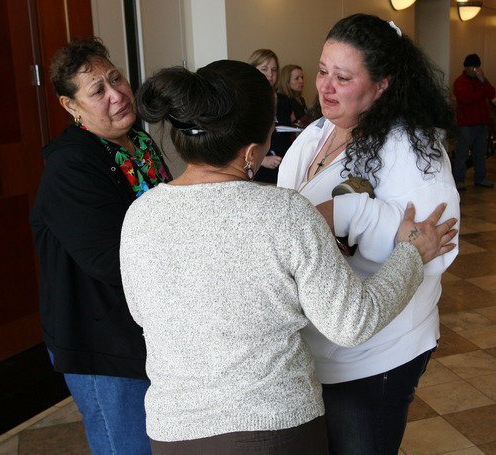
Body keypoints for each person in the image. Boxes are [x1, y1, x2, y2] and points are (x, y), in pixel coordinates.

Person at [120, 59, 457, 455]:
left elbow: (142, 313)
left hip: (173, 432)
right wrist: (410, 254)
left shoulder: (141, 212)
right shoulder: (283, 213)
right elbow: (352, 322)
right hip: (271, 431)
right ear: (251, 152)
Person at [278, 14, 461, 455]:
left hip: (376, 350)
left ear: (382, 85)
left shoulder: (412, 151)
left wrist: (344, 215)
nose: (325, 86)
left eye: (342, 77)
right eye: (322, 71)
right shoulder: (316, 134)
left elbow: (434, 249)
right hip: (319, 340)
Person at [29, 37, 171, 455]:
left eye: (116, 78)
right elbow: (112, 261)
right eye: (98, 91)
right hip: (101, 341)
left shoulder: (140, 143)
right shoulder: (71, 164)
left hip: (145, 327)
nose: (117, 94)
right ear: (70, 106)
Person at [248, 49, 294, 183]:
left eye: (274, 70)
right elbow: (242, 141)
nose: (270, 74)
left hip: (285, 169)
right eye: (264, 69)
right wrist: (263, 160)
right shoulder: (248, 101)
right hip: (260, 170)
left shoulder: (283, 100)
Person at [452, 53, 495, 190]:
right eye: (472, 67)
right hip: (466, 124)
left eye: (477, 67)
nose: (474, 70)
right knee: (462, 153)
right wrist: (482, 93)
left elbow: (492, 94)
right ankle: (458, 180)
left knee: (480, 152)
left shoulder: (481, 81)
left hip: (481, 123)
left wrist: (483, 81)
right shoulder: (460, 82)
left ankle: (480, 178)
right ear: (466, 67)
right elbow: (465, 99)